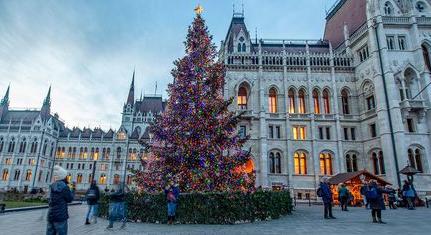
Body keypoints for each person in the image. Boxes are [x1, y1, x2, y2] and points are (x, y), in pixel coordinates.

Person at [46, 165, 75, 235]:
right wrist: (73, 189)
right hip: (61, 215)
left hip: (51, 214)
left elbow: (48, 198)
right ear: (63, 176)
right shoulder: (65, 187)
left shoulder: (52, 185)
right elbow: (70, 199)